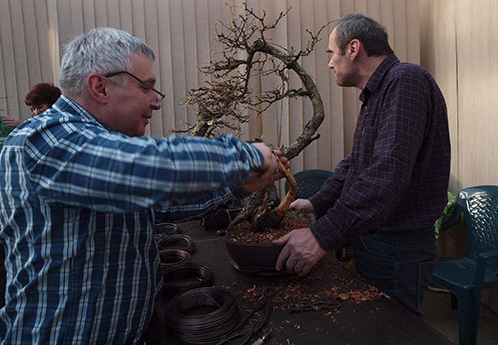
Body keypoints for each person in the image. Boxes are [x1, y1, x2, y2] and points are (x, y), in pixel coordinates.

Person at [0, 27, 288, 344]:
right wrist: (248, 155)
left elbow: (158, 207)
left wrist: (240, 186)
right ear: (100, 87)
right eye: (146, 88)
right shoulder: (45, 139)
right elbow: (154, 166)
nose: (156, 102)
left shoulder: (98, 148)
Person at [274, 13, 451, 315]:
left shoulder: (405, 81)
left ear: (353, 49)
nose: (330, 63)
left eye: (332, 53)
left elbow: (385, 176)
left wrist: (320, 236)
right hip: (378, 244)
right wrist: (317, 203)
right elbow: (357, 164)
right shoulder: (379, 92)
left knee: (391, 331)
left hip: (396, 249)